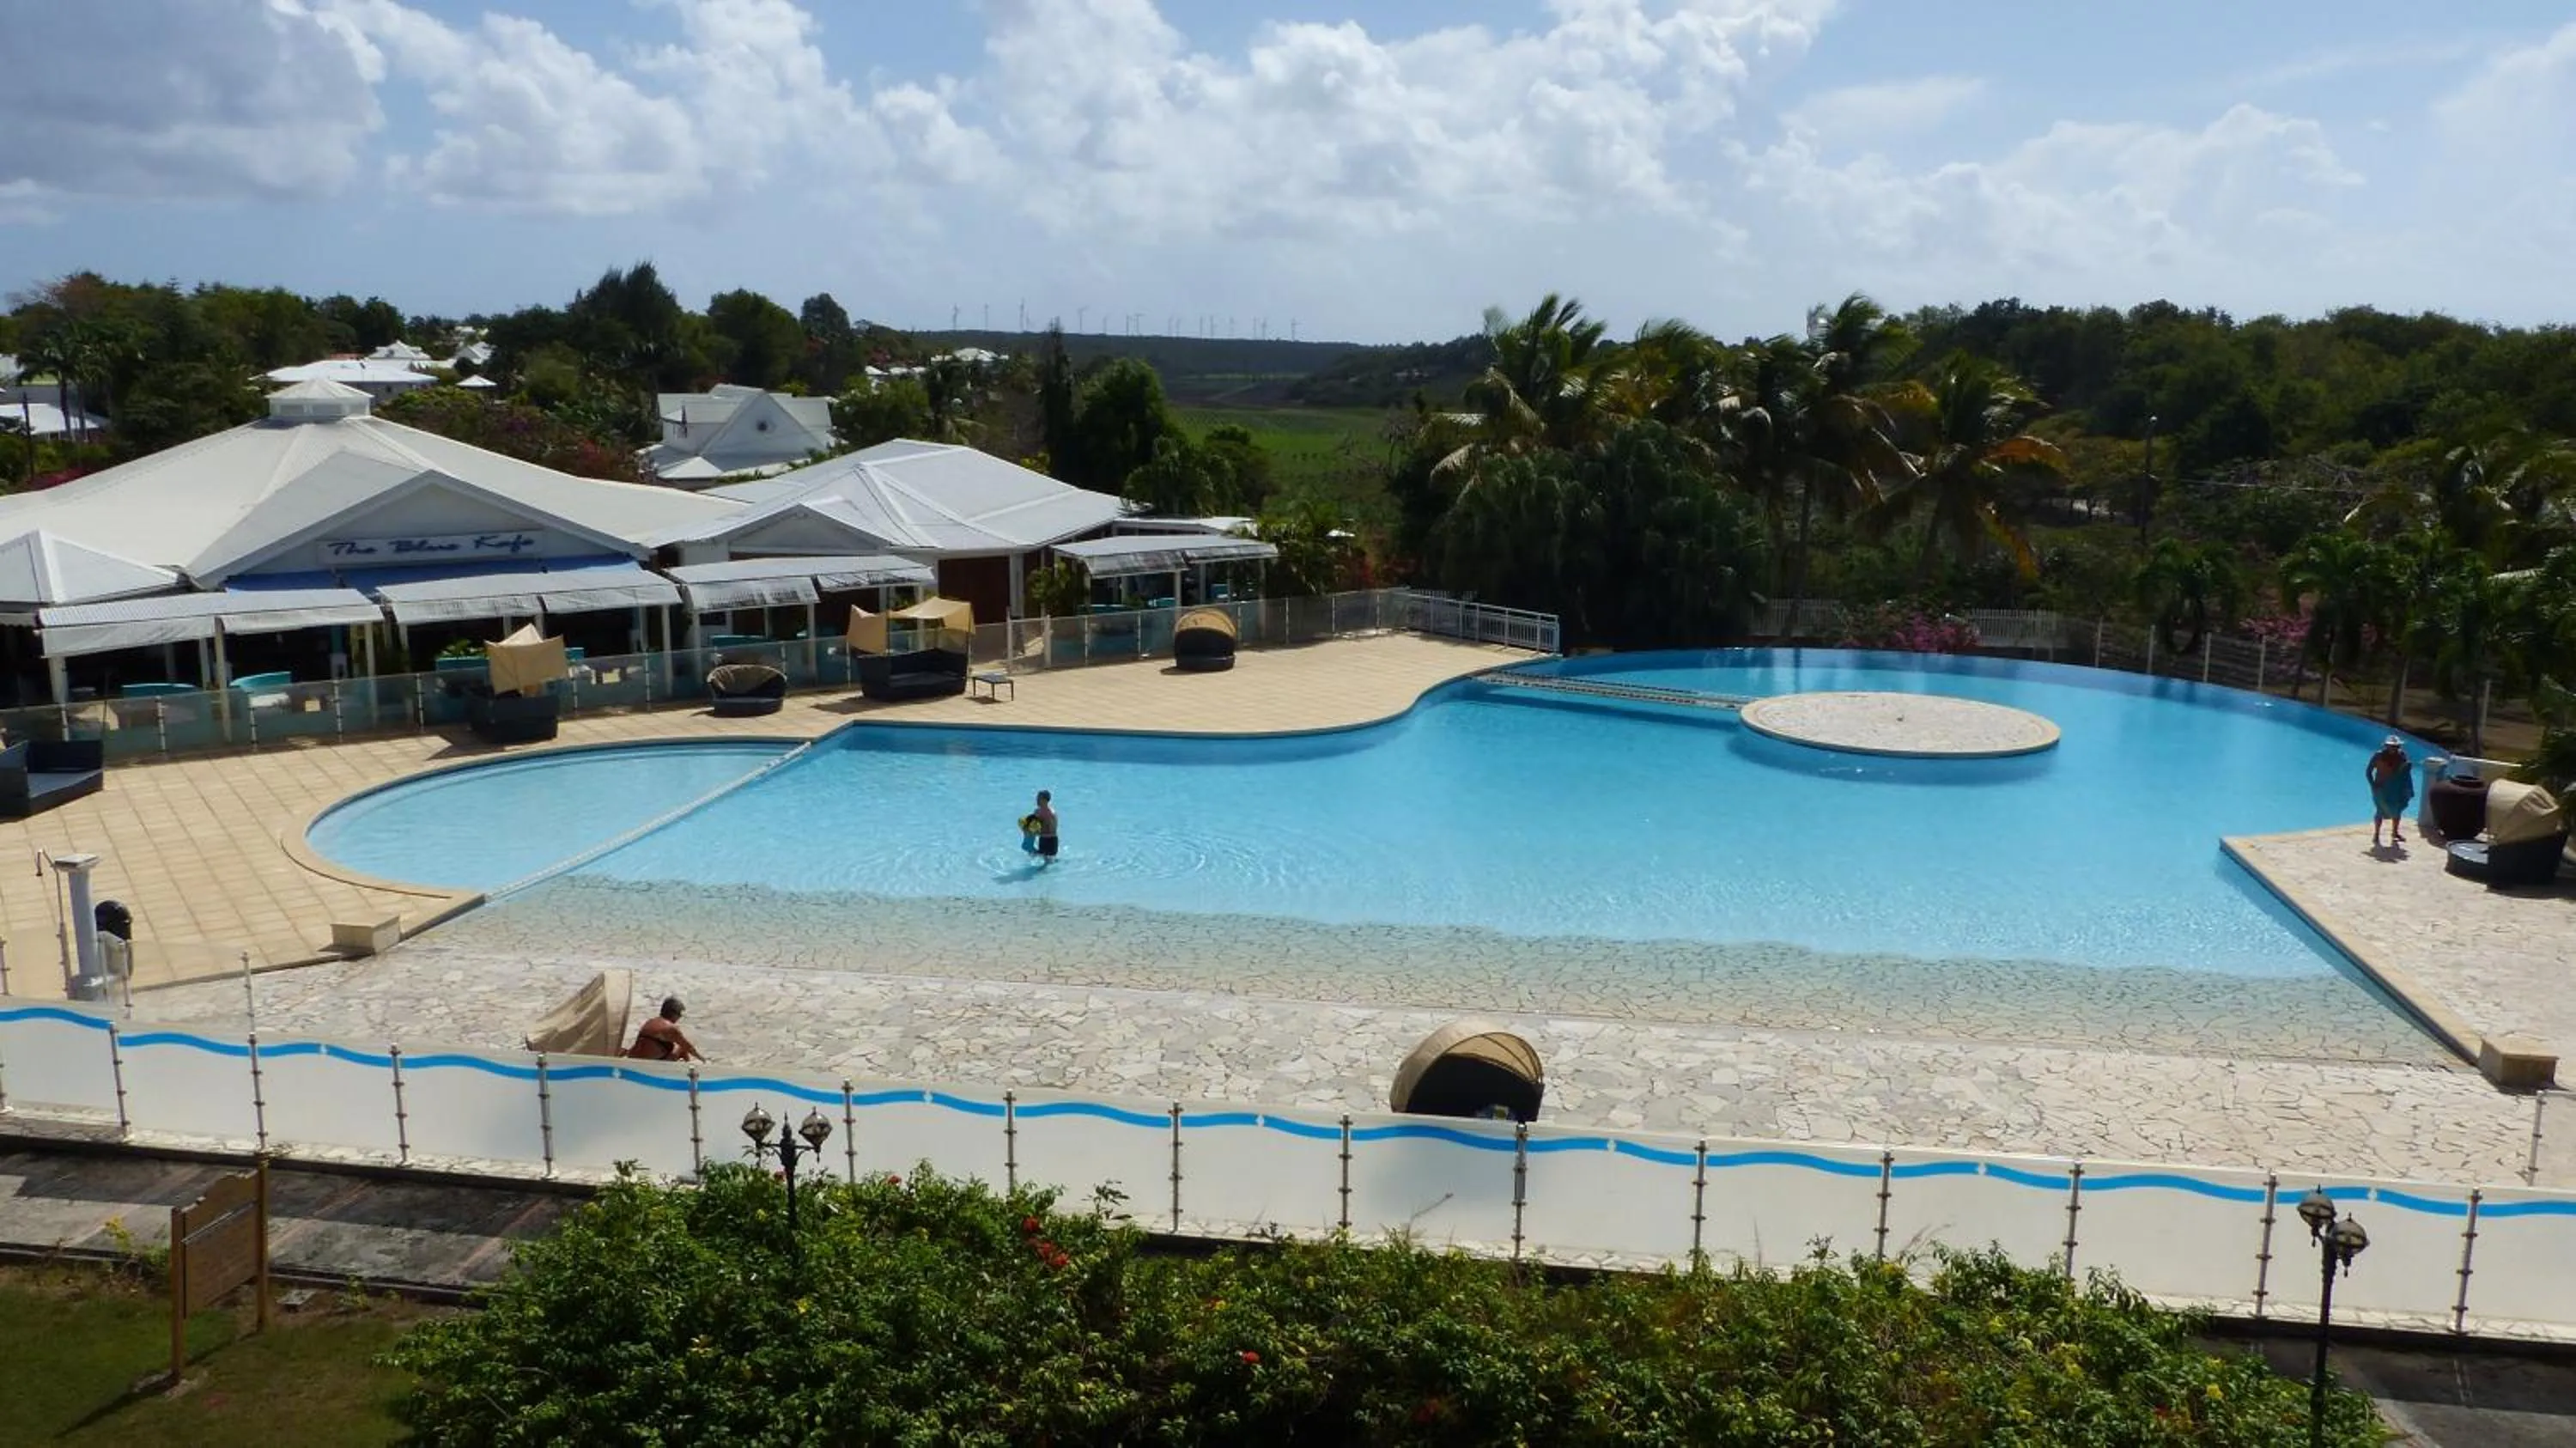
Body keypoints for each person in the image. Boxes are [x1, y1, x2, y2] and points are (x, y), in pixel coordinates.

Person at [2367, 735, 2415, 849]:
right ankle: (2376, 834)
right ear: (2386, 746)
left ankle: (2395, 832)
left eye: (2395, 746)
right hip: (2381, 788)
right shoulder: (2378, 756)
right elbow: (2368, 771)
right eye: (2390, 746)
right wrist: (2373, 784)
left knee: (2397, 810)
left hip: (2396, 788)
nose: (2393, 748)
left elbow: (2404, 773)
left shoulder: (2402, 756)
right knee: (2380, 810)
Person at [625, 995, 704, 1062]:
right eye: (679, 1014)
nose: (680, 1017)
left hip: (633, 1059)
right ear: (673, 1013)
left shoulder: (650, 1022)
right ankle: (688, 1073)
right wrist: (702, 1059)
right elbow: (689, 1047)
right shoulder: (671, 1028)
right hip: (651, 1064)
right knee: (682, 1048)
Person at [1032, 789, 1060, 864]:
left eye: (1039, 798)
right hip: (1042, 839)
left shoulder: (1051, 814)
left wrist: (1037, 829)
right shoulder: (1037, 811)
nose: (1036, 800)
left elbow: (1051, 830)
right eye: (1037, 798)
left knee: (1049, 864)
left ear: (1045, 800)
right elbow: (1032, 826)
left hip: (1051, 841)